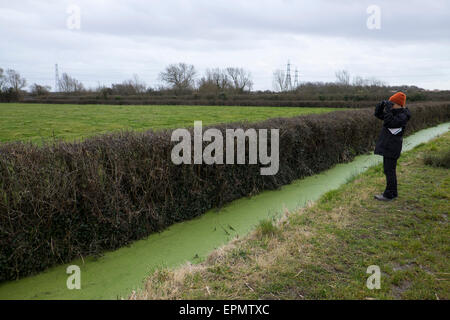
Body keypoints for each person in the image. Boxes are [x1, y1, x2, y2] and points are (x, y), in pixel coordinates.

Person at [373, 92, 411, 201]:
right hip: (389, 147)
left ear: (398, 104)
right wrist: (381, 106)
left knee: (389, 171)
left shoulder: (403, 116)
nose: (391, 105)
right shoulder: (395, 113)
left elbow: (389, 123)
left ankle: (389, 194)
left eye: (392, 103)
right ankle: (393, 192)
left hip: (392, 148)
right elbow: (378, 115)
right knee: (388, 170)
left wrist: (388, 110)